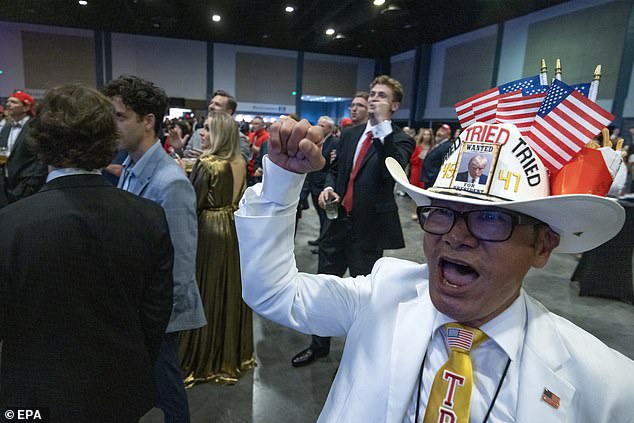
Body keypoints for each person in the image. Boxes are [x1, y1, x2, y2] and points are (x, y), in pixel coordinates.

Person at [235, 118, 634, 422]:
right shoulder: (385, 291)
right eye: (442, 212)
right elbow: (274, 293)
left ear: (543, 246)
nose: (456, 237)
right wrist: (284, 180)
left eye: (492, 219)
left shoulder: (607, 386)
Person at [0, 83, 174, 422]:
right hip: (119, 389)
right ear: (109, 141)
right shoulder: (148, 216)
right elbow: (155, 314)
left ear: (42, 143)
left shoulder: (11, 225)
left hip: (33, 399)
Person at [290, 76, 414, 367]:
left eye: (381, 95)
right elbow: (335, 169)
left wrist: (382, 129)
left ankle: (357, 355)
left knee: (365, 299)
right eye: (372, 93)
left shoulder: (400, 140)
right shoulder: (349, 134)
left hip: (367, 232)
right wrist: (330, 187)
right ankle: (318, 345)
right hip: (336, 225)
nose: (374, 99)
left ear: (394, 105)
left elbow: (390, 173)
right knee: (323, 288)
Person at [102, 75, 206, 423]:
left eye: (119, 116)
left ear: (148, 122)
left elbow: (181, 263)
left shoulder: (171, 183)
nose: (111, 125)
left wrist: (157, 319)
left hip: (157, 311)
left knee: (167, 387)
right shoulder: (130, 167)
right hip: (136, 301)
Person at [178, 111, 254, 386]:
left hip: (209, 230)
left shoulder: (208, 163)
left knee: (206, 292)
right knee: (229, 291)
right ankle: (231, 357)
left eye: (209, 129)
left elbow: (192, 202)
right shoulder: (240, 161)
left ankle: (202, 360)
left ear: (221, 134)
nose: (203, 133)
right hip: (233, 229)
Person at [0, 90, 47, 207]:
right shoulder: (6, 127)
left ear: (26, 107)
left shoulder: (35, 128)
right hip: (6, 185)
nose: (8, 104)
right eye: (8, 101)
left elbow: (42, 156)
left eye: (14, 102)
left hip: (27, 183)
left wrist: (33, 182)